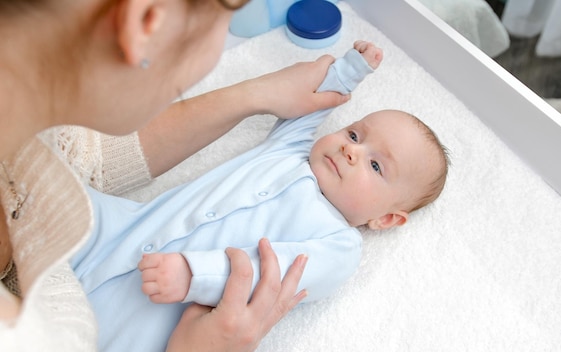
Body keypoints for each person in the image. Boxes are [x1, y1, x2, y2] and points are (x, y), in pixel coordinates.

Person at [0, 0, 354, 350]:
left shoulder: (27, 146)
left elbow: (79, 158)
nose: (352, 151)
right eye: (231, 18)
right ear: (146, 21)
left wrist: (255, 94)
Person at [70, 40, 450, 351]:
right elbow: (311, 104)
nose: (353, 151)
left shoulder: (339, 246)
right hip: (122, 229)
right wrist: (350, 71)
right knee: (67, 200)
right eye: (354, 134)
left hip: (156, 301)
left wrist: (194, 274)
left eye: (376, 166)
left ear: (385, 218)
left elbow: (269, 273)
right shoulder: (291, 151)